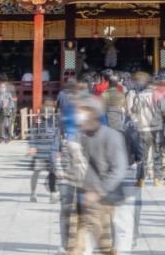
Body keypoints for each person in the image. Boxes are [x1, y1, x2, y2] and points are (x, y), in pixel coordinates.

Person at [70, 98, 131, 255]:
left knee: (100, 239)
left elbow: (119, 168)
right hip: (85, 193)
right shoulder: (80, 135)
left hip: (103, 196)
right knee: (79, 239)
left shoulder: (111, 136)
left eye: (82, 114)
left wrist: (99, 191)